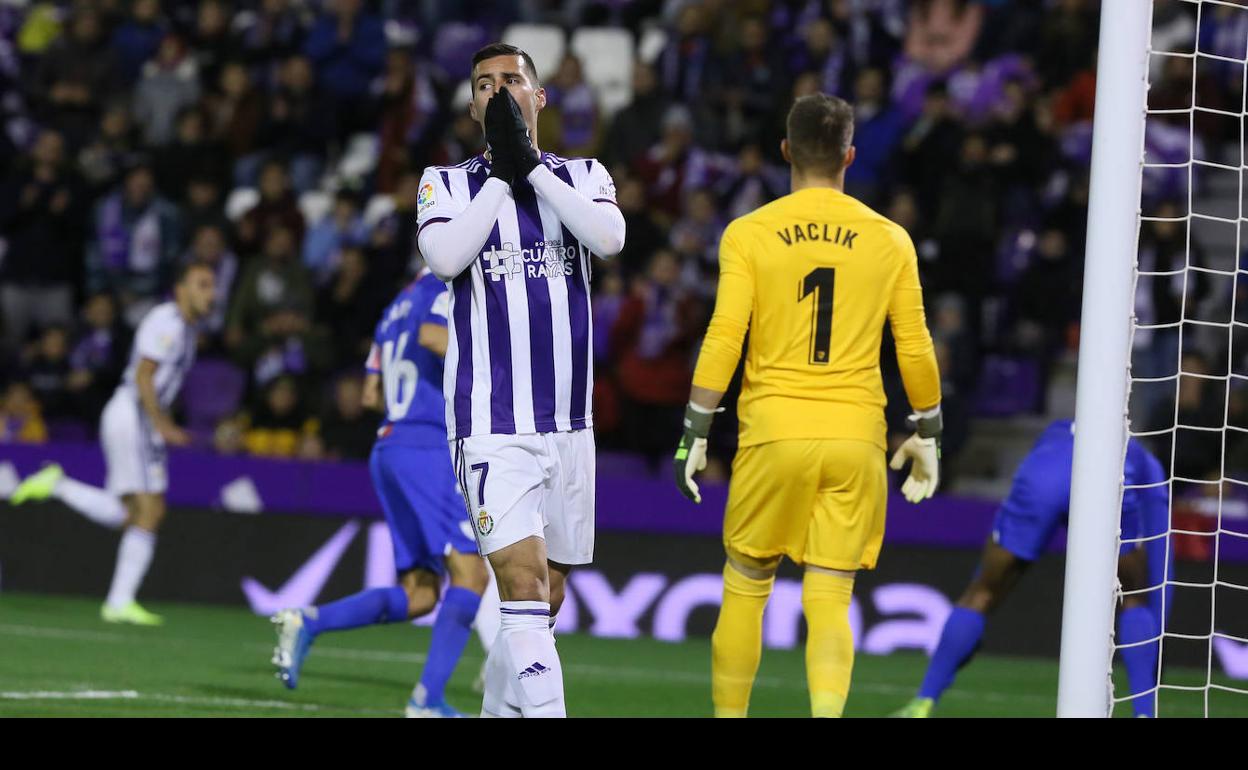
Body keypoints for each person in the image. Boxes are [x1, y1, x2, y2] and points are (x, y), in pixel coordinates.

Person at [673, 93, 942, 718]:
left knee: (744, 587)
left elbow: (723, 337)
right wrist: (927, 429)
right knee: (830, 596)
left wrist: (695, 432)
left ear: (786, 151)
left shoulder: (750, 233)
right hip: (856, 439)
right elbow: (916, 346)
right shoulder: (890, 239)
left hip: (774, 432)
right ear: (850, 154)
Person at [415, 43, 625, 718]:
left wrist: (531, 168)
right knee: (522, 582)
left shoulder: (585, 174)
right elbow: (445, 256)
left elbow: (610, 238)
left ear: (540, 97)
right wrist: (505, 176)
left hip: (569, 426)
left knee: (547, 594)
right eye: (485, 84)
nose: (499, 90)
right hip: (490, 422)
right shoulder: (444, 184)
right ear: (474, 106)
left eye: (513, 80)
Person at [271, 270, 490, 718]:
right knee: (471, 575)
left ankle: (308, 623)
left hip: (389, 446)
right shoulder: (443, 288)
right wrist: (491, 368)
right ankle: (427, 701)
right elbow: (434, 336)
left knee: (421, 594)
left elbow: (372, 393)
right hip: (427, 446)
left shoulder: (393, 309)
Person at [893, 421, 1169, 718]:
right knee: (1135, 597)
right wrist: (1158, 646)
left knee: (982, 591)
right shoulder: (1145, 461)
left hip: (1043, 475)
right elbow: (1162, 569)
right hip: (1110, 474)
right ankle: (1144, 713)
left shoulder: (1054, 432)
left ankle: (922, 702)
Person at [10, 262, 217, 625]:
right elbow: (143, 374)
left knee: (132, 515)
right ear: (180, 288)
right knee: (149, 510)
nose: (210, 293)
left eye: (212, 286)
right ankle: (119, 602)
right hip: (134, 415)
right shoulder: (166, 321)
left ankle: (59, 485)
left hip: (138, 418)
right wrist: (162, 424)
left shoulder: (186, 330)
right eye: (202, 284)